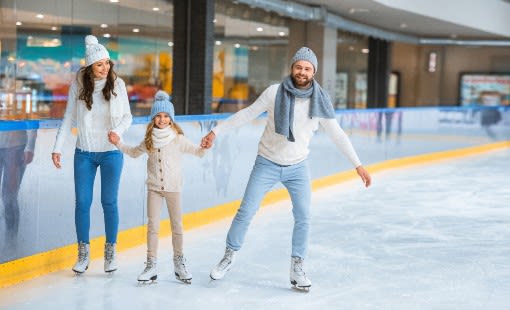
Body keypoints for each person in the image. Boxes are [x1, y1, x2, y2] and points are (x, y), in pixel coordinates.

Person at [201, 47, 372, 290]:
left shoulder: (319, 101)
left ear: (313, 72)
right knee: (246, 211)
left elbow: (338, 135)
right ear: (292, 68)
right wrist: (215, 131)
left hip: (298, 167)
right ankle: (229, 255)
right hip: (267, 162)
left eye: (307, 68)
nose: (302, 72)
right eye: (299, 67)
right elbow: (247, 114)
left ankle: (297, 266)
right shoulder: (274, 92)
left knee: (303, 217)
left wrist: (358, 165)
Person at [51, 35, 132, 274]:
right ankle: (83, 253)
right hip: (84, 153)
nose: (105, 68)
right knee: (83, 203)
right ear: (89, 67)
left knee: (109, 202)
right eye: (100, 64)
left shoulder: (118, 84)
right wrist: (57, 148)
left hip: (111, 153)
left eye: (107, 63)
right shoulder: (78, 85)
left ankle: (110, 252)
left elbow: (128, 116)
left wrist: (117, 132)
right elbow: (68, 118)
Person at [108, 90, 207, 284]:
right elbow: (133, 152)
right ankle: (151, 264)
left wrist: (204, 146)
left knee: (177, 226)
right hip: (154, 188)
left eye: (166, 116)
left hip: (173, 188)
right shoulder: (149, 141)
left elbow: (197, 152)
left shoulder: (178, 139)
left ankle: (179, 263)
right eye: (158, 116)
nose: (162, 120)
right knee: (153, 226)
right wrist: (118, 142)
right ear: (153, 118)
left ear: (171, 119)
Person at [0, 129, 37, 259]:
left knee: (9, 196)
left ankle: (11, 244)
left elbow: (31, 113)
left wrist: (30, 146)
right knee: (8, 197)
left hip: (16, 146)